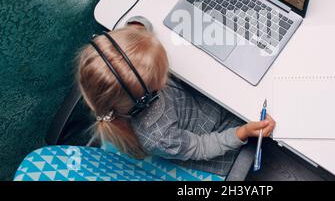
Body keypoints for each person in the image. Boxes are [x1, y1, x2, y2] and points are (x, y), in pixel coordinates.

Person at [77, 16, 276, 176]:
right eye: (162, 72)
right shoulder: (159, 137)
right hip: (215, 132)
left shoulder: (114, 88)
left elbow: (139, 25)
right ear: (151, 93)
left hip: (195, 99)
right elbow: (201, 148)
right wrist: (243, 132)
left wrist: (135, 33)